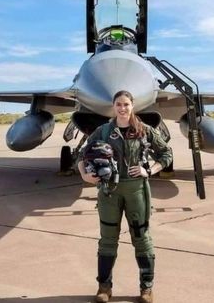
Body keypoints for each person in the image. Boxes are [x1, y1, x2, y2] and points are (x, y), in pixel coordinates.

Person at [77, 90, 172, 303]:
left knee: (142, 239)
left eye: (126, 104)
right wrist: (85, 174)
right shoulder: (102, 131)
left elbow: (166, 153)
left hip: (136, 190)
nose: (122, 108)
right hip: (109, 191)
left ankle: (146, 289)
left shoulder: (144, 130)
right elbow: (82, 154)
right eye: (119, 104)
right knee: (107, 240)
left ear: (132, 106)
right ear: (114, 106)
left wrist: (151, 169)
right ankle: (104, 288)